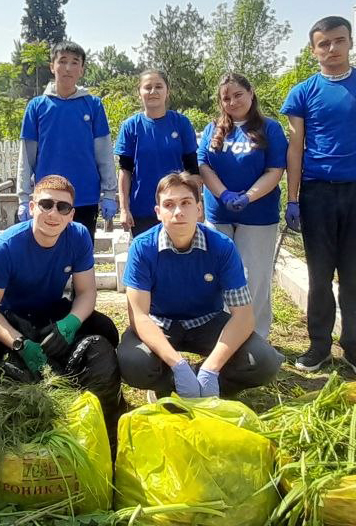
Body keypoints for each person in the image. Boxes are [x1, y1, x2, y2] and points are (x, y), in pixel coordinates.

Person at [281, 16, 356, 374]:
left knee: (354, 277)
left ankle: (353, 344)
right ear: (313, 49)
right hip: (317, 193)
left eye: (338, 41)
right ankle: (318, 345)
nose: (331, 49)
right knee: (319, 277)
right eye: (324, 43)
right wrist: (292, 197)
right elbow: (295, 147)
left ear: (350, 42)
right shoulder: (303, 92)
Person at [0, 174, 123, 425]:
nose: (53, 214)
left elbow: (87, 292)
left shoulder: (78, 237)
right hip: (9, 316)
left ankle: (95, 400)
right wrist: (18, 343)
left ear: (71, 215)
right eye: (46, 204)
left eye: (62, 207)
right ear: (32, 207)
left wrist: (70, 324)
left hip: (51, 312)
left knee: (106, 330)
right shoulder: (4, 248)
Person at [117, 172, 282, 398]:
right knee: (133, 363)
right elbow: (139, 316)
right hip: (160, 323)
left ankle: (211, 383)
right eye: (169, 205)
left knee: (263, 361)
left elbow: (243, 315)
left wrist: (211, 368)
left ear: (199, 209)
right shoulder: (142, 247)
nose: (178, 212)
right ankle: (168, 385)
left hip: (207, 321)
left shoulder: (222, 247)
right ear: (158, 213)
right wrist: (178, 365)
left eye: (186, 203)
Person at [197, 73, 287, 338]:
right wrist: (223, 194)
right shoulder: (213, 129)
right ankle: (224, 333)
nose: (233, 101)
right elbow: (203, 165)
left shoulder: (270, 128)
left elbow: (275, 169)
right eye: (226, 97)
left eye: (238, 95)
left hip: (258, 215)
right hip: (219, 214)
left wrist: (248, 196)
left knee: (255, 278)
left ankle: (256, 335)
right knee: (219, 274)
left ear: (251, 93)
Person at [16, 42, 119, 243]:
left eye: (75, 62)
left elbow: (104, 153)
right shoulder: (37, 107)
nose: (68, 68)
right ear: (52, 66)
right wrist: (23, 198)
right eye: (62, 62)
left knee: (81, 256)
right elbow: (26, 158)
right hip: (48, 199)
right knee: (47, 257)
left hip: (85, 197)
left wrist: (109, 193)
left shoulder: (93, 105)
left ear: (82, 69)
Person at [114, 70, 199, 237]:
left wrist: (196, 205)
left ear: (167, 91)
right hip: (142, 210)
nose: (153, 91)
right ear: (139, 93)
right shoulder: (131, 126)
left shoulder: (181, 123)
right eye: (148, 87)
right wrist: (124, 209)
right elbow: (125, 172)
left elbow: (193, 171)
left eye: (159, 86)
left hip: (177, 209)